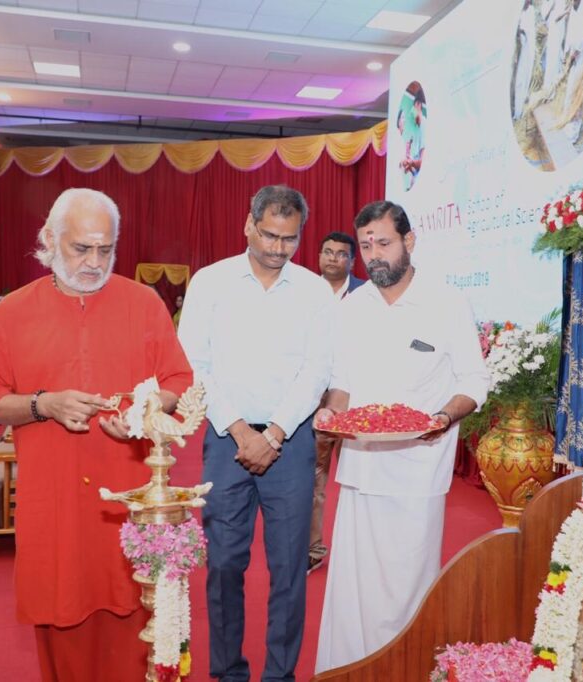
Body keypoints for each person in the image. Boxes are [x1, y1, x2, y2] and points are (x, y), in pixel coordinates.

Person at [0, 188, 193, 682]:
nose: (94, 262)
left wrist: (142, 413)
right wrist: (41, 404)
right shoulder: (13, 313)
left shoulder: (144, 303)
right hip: (56, 501)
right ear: (49, 239)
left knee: (139, 613)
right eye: (81, 248)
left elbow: (178, 381)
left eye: (105, 249)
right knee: (62, 618)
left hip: (132, 500)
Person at [314, 201, 489, 672]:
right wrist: (331, 414)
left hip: (418, 470)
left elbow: (474, 381)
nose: (374, 255)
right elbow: (342, 383)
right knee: (353, 589)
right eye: (367, 246)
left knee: (408, 588)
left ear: (409, 242)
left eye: (383, 244)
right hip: (360, 467)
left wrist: (442, 418)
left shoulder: (447, 302)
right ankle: (346, 669)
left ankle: (406, 668)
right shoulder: (352, 307)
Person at [179, 184, 333, 682]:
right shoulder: (210, 282)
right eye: (268, 235)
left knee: (289, 570)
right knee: (223, 564)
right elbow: (194, 364)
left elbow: (317, 370)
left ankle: (280, 675)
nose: (276, 248)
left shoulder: (313, 290)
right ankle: (228, 673)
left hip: (290, 442)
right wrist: (242, 430)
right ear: (248, 224)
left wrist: (276, 434)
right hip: (227, 441)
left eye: (288, 239)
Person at [308, 232, 367, 574]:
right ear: (318, 256)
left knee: (360, 476)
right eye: (327, 252)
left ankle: (358, 552)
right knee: (314, 477)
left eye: (341, 254)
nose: (333, 258)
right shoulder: (303, 291)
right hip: (315, 402)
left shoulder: (369, 295)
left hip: (358, 399)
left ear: (351, 261)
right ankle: (313, 550)